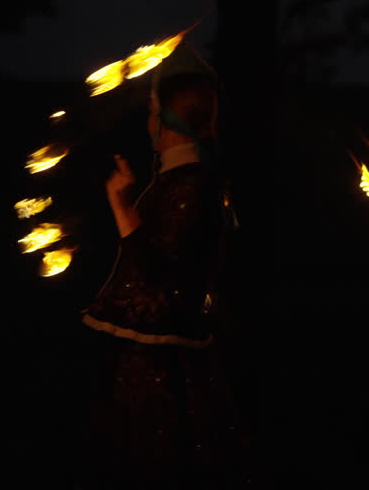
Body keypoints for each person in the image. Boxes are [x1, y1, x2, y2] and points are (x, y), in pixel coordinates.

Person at [77, 69, 246, 489]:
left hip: (158, 363)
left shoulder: (191, 187)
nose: (147, 121)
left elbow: (153, 269)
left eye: (153, 110)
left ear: (168, 120)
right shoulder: (179, 181)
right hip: (152, 352)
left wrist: (120, 205)